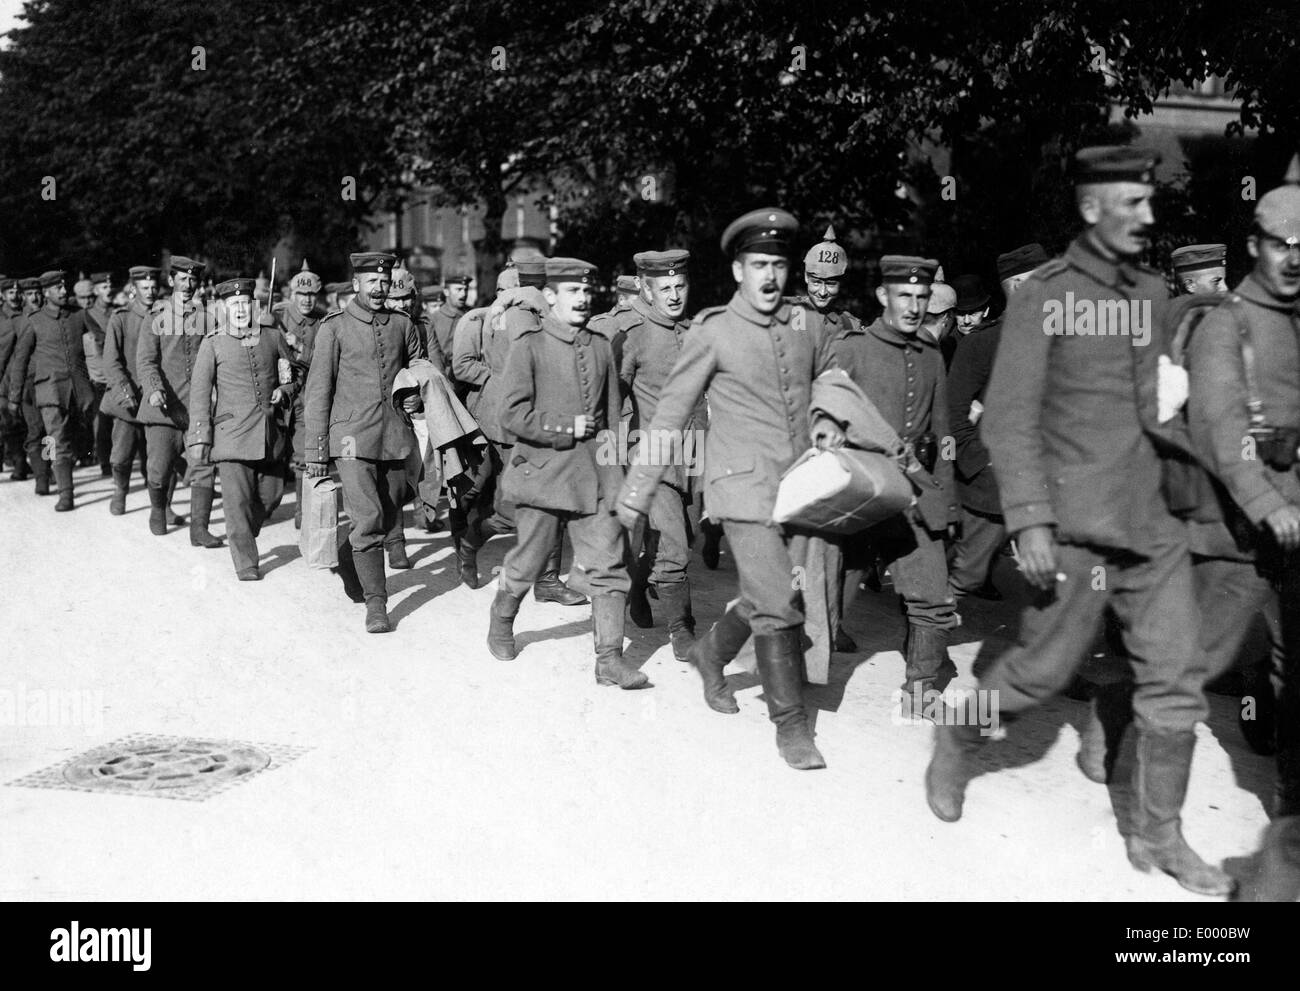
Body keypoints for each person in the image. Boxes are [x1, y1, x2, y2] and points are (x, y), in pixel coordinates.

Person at [924, 145, 1232, 897]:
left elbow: (1161, 402)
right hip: (1074, 524)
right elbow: (1008, 417)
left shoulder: (1156, 293)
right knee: (1041, 669)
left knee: (1176, 673)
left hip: (1151, 520)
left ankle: (1160, 832)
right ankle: (958, 732)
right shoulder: (1045, 297)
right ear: (1094, 210)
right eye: (1135, 203)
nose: (1150, 216)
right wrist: (1027, 518)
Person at [617, 208, 848, 770]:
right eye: (757, 264)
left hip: (800, 488)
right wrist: (637, 489)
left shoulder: (807, 324)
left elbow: (835, 382)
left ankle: (710, 656)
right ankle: (791, 726)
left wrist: (832, 425)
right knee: (776, 605)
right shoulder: (714, 330)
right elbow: (669, 411)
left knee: (776, 593)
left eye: (778, 264)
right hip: (740, 489)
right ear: (739, 270)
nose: (769, 275)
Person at [1185, 159, 1300, 818]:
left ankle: (1286, 815)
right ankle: (1123, 714)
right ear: (1256, 246)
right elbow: (1225, 433)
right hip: (1238, 524)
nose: (1293, 259)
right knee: (1197, 664)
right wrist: (1268, 503)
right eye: (1281, 244)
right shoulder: (1224, 325)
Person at [487, 257, 647, 690]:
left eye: (586, 291)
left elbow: (613, 415)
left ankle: (609, 659)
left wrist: (617, 473)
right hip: (544, 474)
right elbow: (510, 415)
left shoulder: (598, 345)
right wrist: (562, 428)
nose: (582, 299)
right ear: (551, 296)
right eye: (572, 292)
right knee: (530, 560)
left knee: (607, 562)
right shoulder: (530, 345)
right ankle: (502, 618)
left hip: (594, 476)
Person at [831, 255, 959, 718]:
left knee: (932, 595)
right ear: (884, 296)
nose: (913, 306)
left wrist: (945, 501)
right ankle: (794, 683)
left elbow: (943, 433)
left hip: (916, 496)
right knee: (829, 597)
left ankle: (921, 692)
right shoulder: (852, 350)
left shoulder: (930, 356)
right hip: (862, 493)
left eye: (922, 298)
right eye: (904, 296)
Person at [303, 252, 423, 633]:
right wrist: (317, 452)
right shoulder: (334, 328)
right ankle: (377, 604)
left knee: (388, 515)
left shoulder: (403, 325)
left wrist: (417, 395)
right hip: (351, 439)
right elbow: (318, 392)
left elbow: (421, 368)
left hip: (394, 436)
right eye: (372, 282)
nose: (379, 289)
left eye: (385, 283)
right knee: (369, 518)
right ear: (356, 284)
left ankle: (347, 555)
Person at [946, 243, 1050, 601]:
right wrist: (981, 463)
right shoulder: (981, 344)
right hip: (993, 485)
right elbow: (953, 415)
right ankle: (926, 651)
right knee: (968, 574)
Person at [616, 249, 701, 659]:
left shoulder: (694, 331)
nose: (673, 295)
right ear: (647, 290)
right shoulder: (635, 335)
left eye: (679, 286)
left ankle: (637, 582)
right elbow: (611, 398)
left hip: (696, 456)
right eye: (664, 288)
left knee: (687, 534)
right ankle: (680, 629)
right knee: (675, 546)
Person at [188, 279, 297, 581]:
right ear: (223, 308)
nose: (240, 309)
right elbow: (199, 393)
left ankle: (246, 532)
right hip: (231, 436)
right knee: (236, 504)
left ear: (254, 306)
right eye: (234, 305)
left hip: (268, 435)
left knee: (272, 495)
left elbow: (290, 375)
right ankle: (246, 561)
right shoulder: (213, 343)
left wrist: (284, 391)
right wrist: (200, 436)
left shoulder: (273, 337)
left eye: (245, 304)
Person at [136, 256, 222, 545]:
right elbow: (146, 361)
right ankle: (158, 509)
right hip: (164, 410)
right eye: (182, 279)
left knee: (203, 468)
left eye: (193, 280)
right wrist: (154, 388)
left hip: (197, 409)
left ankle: (199, 529)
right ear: (171, 281)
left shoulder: (207, 318)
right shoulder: (156, 316)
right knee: (158, 471)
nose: (188, 285)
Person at [5, 271, 95, 511]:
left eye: (64, 287)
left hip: (80, 390)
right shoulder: (33, 321)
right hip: (49, 390)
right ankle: (66, 493)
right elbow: (20, 362)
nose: (64, 291)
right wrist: (14, 397)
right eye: (59, 288)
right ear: (47, 293)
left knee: (77, 436)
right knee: (56, 438)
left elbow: (104, 339)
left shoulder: (78, 315)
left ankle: (62, 471)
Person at [101, 265, 157, 515]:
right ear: (134, 289)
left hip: (155, 398)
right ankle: (120, 491)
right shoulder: (121, 318)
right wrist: (126, 394)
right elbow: (111, 361)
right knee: (122, 456)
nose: (151, 292)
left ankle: (161, 506)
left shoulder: (165, 317)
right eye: (145, 288)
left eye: (154, 287)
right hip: (130, 399)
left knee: (157, 457)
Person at [278, 260, 323, 530]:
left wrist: (301, 347)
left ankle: (301, 511)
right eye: (301, 294)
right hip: (280, 393)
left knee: (303, 456)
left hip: (307, 395)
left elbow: (324, 359)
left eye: (311, 294)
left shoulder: (323, 321)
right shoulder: (278, 317)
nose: (306, 300)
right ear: (292, 295)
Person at [9, 278, 53, 496]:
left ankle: (48, 468)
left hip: (50, 382)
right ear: (23, 297)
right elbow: (17, 361)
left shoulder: (48, 317)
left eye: (38, 293)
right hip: (29, 385)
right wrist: (14, 395)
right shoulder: (20, 321)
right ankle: (42, 477)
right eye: (29, 294)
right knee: (36, 431)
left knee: (50, 431)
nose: (35, 297)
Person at [72, 271, 116, 476]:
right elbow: (76, 353)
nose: (88, 301)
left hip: (114, 374)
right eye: (84, 298)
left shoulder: (115, 312)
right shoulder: (81, 316)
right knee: (100, 422)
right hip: (93, 377)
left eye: (90, 297)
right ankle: (102, 461)